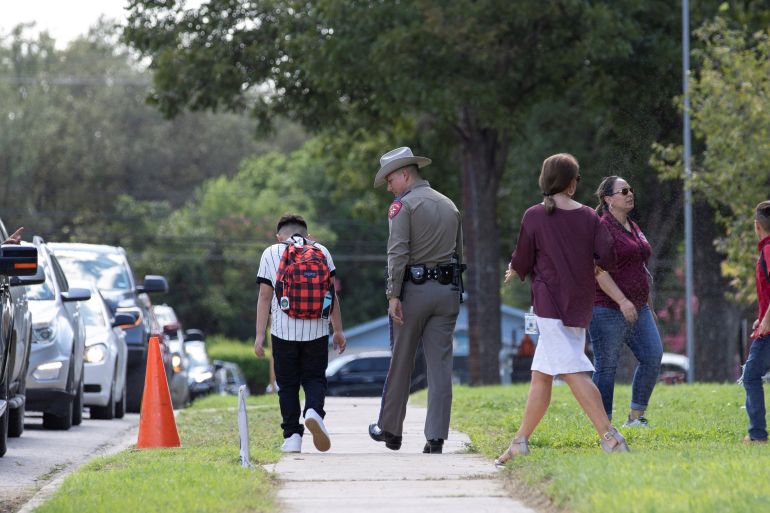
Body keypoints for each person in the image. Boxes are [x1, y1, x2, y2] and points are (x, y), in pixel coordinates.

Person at [496, 153, 629, 466]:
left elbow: (523, 255)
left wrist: (515, 268)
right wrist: (592, 264)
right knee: (541, 376)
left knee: (571, 371)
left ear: (546, 181)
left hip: (549, 304)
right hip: (579, 302)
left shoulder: (534, 215)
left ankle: (610, 437)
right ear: (571, 184)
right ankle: (519, 443)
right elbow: (607, 254)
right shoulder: (588, 216)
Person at [368, 146, 464, 454]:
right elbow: (458, 254)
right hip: (447, 292)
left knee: (402, 361)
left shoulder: (403, 206)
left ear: (405, 174)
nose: (388, 187)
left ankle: (390, 431)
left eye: (390, 180)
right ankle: (435, 437)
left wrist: (393, 294)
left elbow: (397, 253)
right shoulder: (449, 205)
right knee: (440, 367)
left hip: (414, 292)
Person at [253, 214, 346, 453]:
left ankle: (292, 436)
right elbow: (332, 295)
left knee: (287, 385)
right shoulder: (322, 251)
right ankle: (314, 410)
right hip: (317, 329)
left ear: (278, 236)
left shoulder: (270, 253)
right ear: (308, 234)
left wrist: (260, 336)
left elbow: (264, 297)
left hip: (283, 331)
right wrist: (338, 331)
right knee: (315, 378)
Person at [589, 176, 663, 427]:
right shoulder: (602, 227)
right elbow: (598, 270)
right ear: (608, 199)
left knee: (653, 355)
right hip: (607, 308)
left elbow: (641, 269)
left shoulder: (633, 225)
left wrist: (648, 307)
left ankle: (635, 417)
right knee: (607, 367)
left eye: (631, 189)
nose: (630, 194)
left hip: (638, 306)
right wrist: (622, 301)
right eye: (623, 191)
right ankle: (604, 425)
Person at [741, 200, 770, 444]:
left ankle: (757, 435)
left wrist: (766, 321)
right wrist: (761, 318)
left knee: (751, 376)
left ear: (757, 226)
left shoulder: (769, 249)